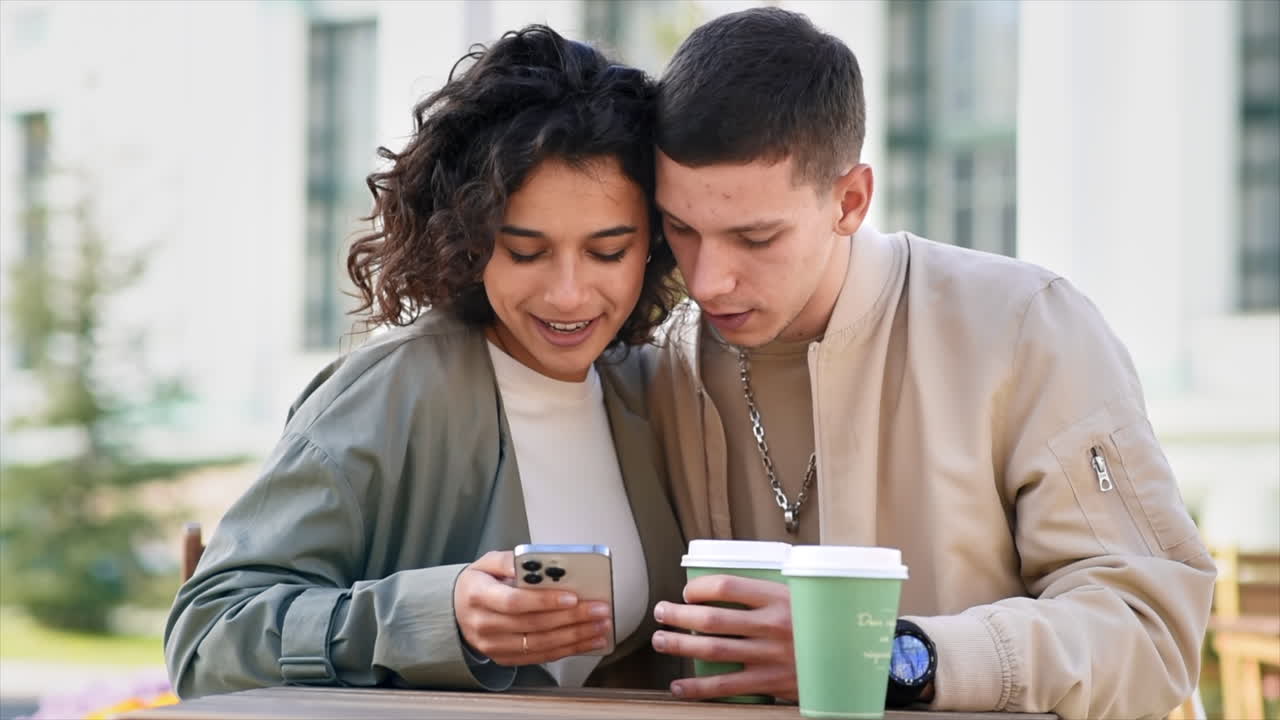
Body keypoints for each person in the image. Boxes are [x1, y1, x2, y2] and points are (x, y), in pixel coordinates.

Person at [641, 8, 1215, 719]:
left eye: (755, 237)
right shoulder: (657, 365)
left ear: (850, 200)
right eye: (682, 230)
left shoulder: (1025, 327)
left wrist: (889, 655)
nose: (707, 280)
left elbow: (1148, 634)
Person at [165, 25, 686, 698]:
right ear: (470, 240)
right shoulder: (390, 393)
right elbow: (208, 638)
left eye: (607, 251)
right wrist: (439, 617)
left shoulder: (648, 387)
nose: (568, 293)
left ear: (654, 244)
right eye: (526, 251)